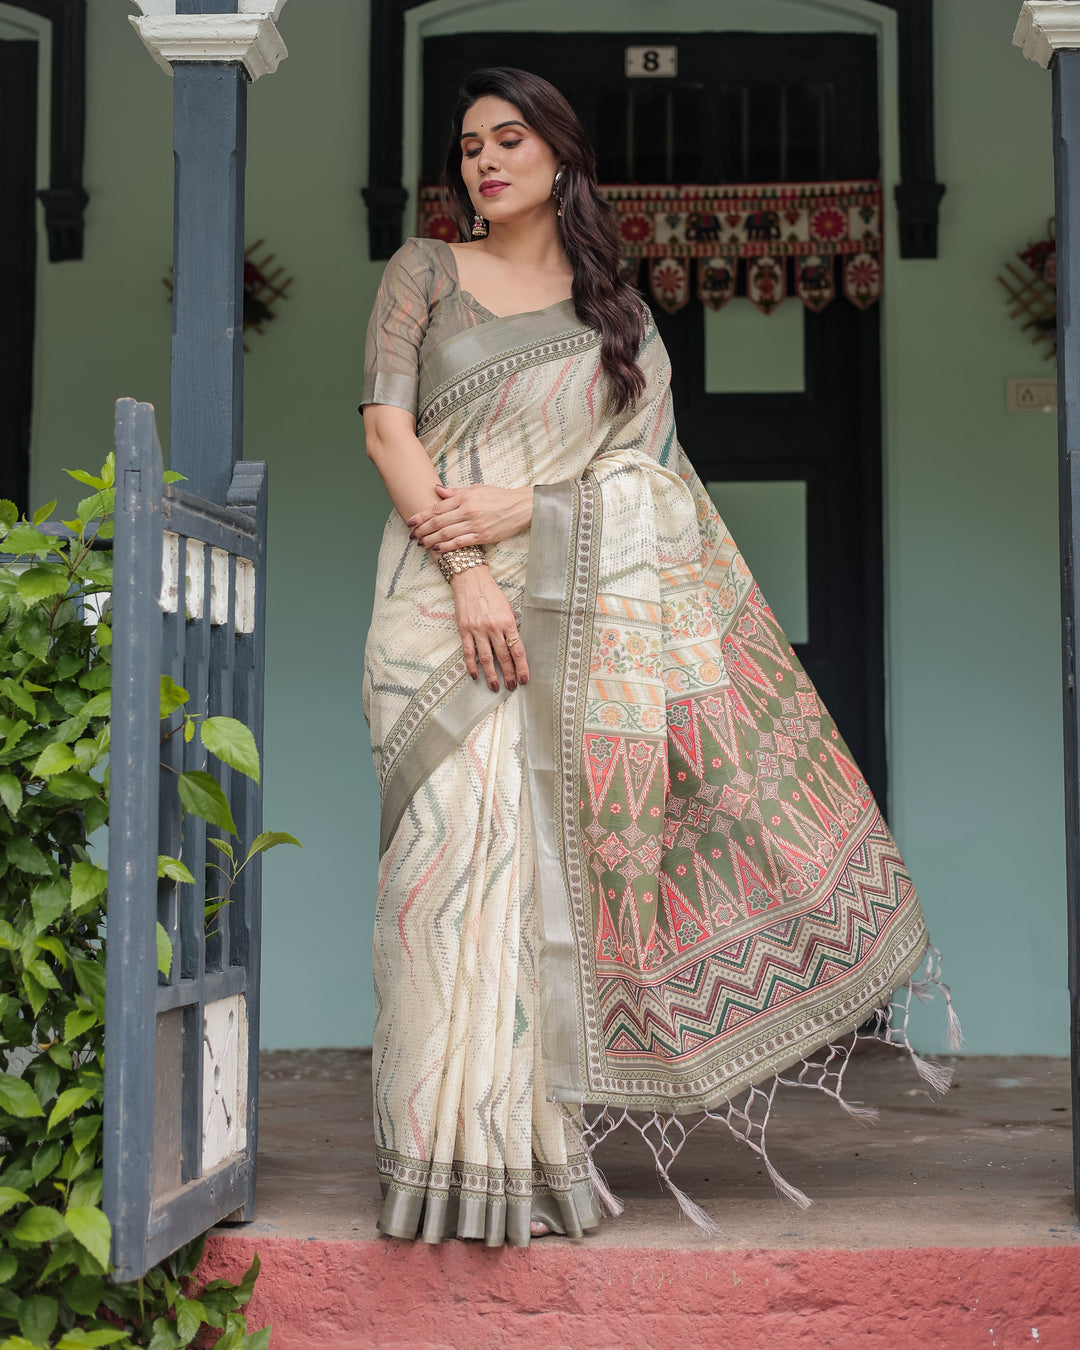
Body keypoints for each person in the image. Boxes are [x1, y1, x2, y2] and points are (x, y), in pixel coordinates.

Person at [360, 67, 958, 1249]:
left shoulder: (618, 317)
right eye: (469, 145)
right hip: (432, 609)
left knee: (533, 876)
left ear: (561, 155)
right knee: (439, 869)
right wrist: (471, 572)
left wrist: (523, 513)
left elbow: (651, 488)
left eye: (510, 140)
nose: (483, 162)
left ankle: (530, 1159)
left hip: (563, 613)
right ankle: (437, 1159)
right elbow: (387, 427)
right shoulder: (421, 272)